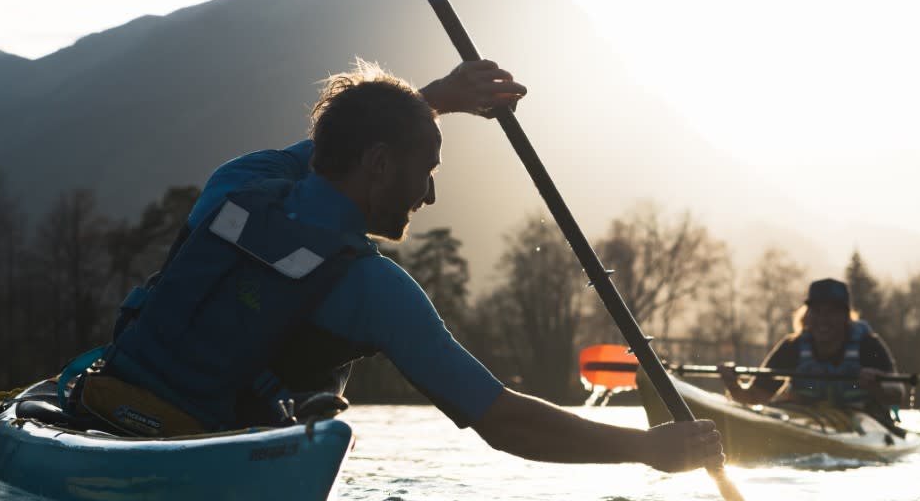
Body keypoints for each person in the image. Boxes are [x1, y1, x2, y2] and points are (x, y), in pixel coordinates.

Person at [65, 58, 724, 477]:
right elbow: (503, 420)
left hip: (98, 411)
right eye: (425, 170)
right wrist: (644, 449)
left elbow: (330, 143)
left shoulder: (236, 182)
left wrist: (433, 98)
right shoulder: (372, 288)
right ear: (380, 164)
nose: (428, 195)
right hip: (204, 470)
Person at [718, 277, 901, 412]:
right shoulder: (792, 347)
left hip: (863, 423)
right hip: (806, 422)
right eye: (817, 311)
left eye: (831, 312)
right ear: (807, 315)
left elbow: (898, 394)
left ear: (846, 317)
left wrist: (878, 385)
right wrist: (733, 385)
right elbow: (754, 397)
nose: (822, 320)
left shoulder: (868, 346)